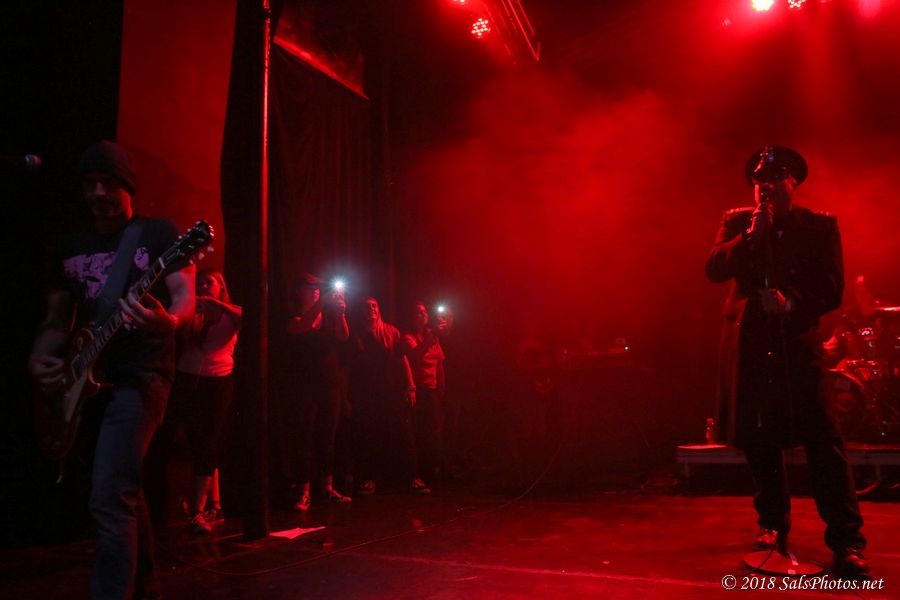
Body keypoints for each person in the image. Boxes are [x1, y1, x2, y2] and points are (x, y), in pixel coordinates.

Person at [27, 141, 195, 599]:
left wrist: (169, 321)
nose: (98, 193)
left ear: (128, 187)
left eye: (108, 183)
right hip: (89, 381)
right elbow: (56, 320)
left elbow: (185, 295)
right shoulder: (70, 244)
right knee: (123, 489)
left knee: (108, 496)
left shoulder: (157, 233)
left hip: (142, 374)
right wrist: (39, 356)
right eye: (90, 184)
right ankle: (146, 587)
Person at [705, 146, 869, 579]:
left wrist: (792, 301)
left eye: (775, 179)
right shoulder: (737, 222)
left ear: (793, 183)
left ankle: (847, 542)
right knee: (761, 440)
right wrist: (749, 236)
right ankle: (772, 526)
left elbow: (831, 287)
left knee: (823, 440)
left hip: (796, 345)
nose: (766, 187)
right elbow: (714, 268)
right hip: (751, 344)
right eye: (759, 181)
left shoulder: (818, 227)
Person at [150, 269, 240, 534]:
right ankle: (163, 508)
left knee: (207, 442)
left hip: (216, 382)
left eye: (209, 282)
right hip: (185, 378)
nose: (203, 286)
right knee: (170, 438)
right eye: (200, 283)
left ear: (221, 287)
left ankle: (199, 510)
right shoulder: (192, 311)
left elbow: (249, 316)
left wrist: (217, 305)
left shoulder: (229, 313)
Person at [350, 297, 429, 495]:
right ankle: (369, 478)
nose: (371, 309)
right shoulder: (357, 334)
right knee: (370, 435)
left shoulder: (391, 331)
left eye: (374, 306)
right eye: (367, 307)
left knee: (404, 432)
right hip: (367, 391)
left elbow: (402, 359)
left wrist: (410, 386)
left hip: (391, 388)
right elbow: (350, 366)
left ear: (379, 309)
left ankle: (413, 476)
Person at [286, 273, 351, 510]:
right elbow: (299, 328)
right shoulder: (293, 313)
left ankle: (326, 488)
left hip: (330, 383)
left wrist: (341, 312)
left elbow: (344, 336)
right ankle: (303, 491)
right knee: (304, 436)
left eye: (318, 287)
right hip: (305, 383)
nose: (316, 290)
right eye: (311, 286)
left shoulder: (329, 314)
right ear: (299, 290)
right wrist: (323, 302)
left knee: (328, 436)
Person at [402, 302, 447, 481]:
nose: (424, 314)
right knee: (418, 431)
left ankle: (434, 468)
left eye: (425, 312)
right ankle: (417, 471)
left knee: (433, 430)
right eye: (419, 312)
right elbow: (414, 356)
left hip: (432, 390)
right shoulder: (408, 337)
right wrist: (428, 340)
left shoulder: (432, 337)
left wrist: (441, 384)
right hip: (417, 390)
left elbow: (439, 362)